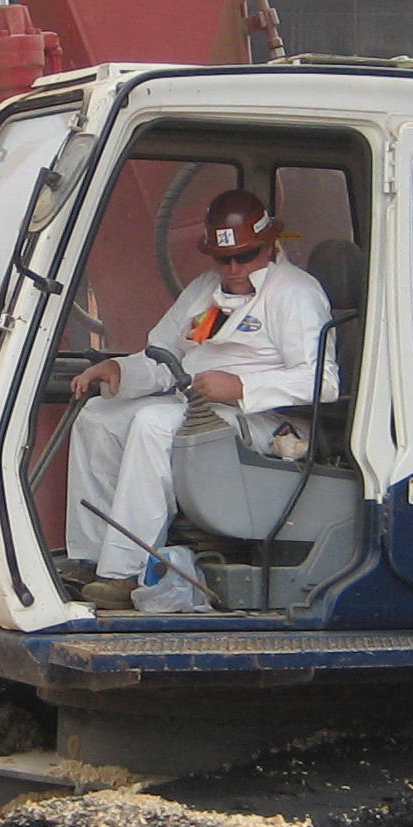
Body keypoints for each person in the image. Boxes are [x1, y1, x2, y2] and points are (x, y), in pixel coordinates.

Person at [62, 188, 336, 603]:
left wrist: (242, 387)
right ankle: (91, 557)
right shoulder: (205, 289)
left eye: (245, 257)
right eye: (224, 259)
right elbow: (164, 358)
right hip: (195, 405)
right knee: (99, 416)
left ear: (269, 245)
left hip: (266, 420)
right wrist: (120, 370)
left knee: (153, 422)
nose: (234, 268)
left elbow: (323, 381)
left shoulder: (294, 293)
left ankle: (127, 571)